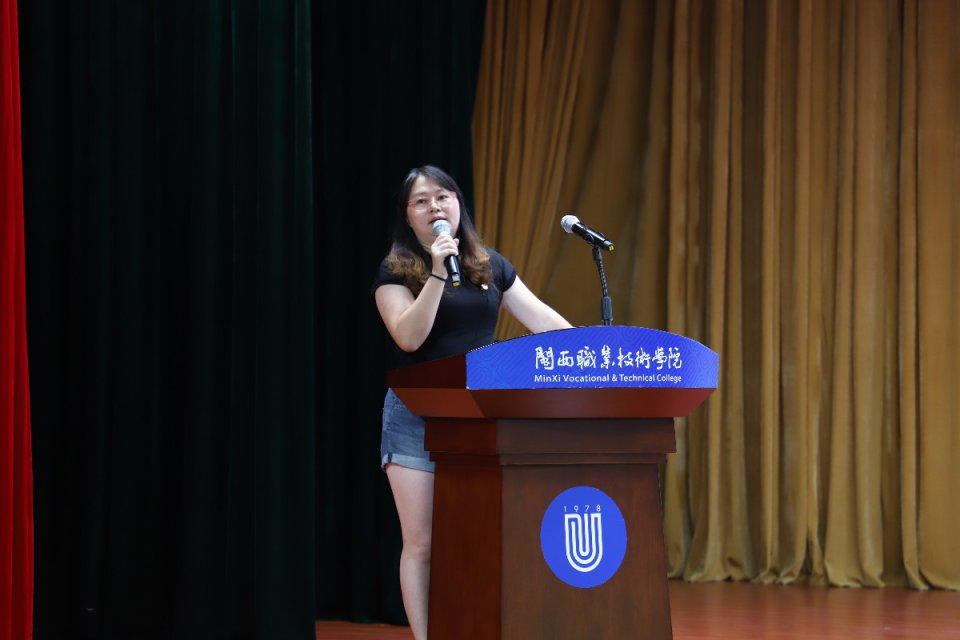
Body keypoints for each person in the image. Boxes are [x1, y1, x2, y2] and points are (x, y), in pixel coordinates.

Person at [373, 165, 571, 639]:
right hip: (416, 417)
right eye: (421, 201)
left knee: (481, 535)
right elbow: (408, 337)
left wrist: (592, 350)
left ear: (459, 204)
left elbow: (544, 322)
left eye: (443, 196)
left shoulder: (489, 264)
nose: (435, 207)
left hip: (481, 418)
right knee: (422, 543)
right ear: (407, 216)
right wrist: (438, 274)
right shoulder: (395, 269)